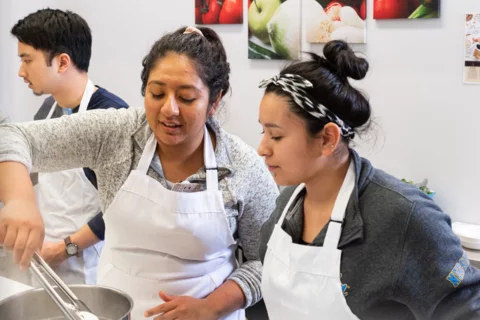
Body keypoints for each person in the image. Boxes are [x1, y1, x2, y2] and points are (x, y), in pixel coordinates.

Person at [0, 26, 279, 319]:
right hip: (117, 311)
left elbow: (268, 261)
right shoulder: (116, 135)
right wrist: (20, 200)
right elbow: (12, 137)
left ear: (215, 100)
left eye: (186, 98)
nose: (169, 109)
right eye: (157, 93)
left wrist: (213, 305)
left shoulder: (242, 166)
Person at [257, 40, 480, 320]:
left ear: (327, 138)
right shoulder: (285, 207)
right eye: (262, 132)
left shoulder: (406, 217)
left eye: (275, 135)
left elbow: (468, 310)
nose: (262, 148)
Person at [10, 8, 129, 285]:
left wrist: (65, 249)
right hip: (46, 260)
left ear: (62, 62)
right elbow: (33, 170)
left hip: (90, 268)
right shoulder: (49, 109)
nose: (20, 71)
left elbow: (121, 207)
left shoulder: (112, 115)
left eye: (27, 60)